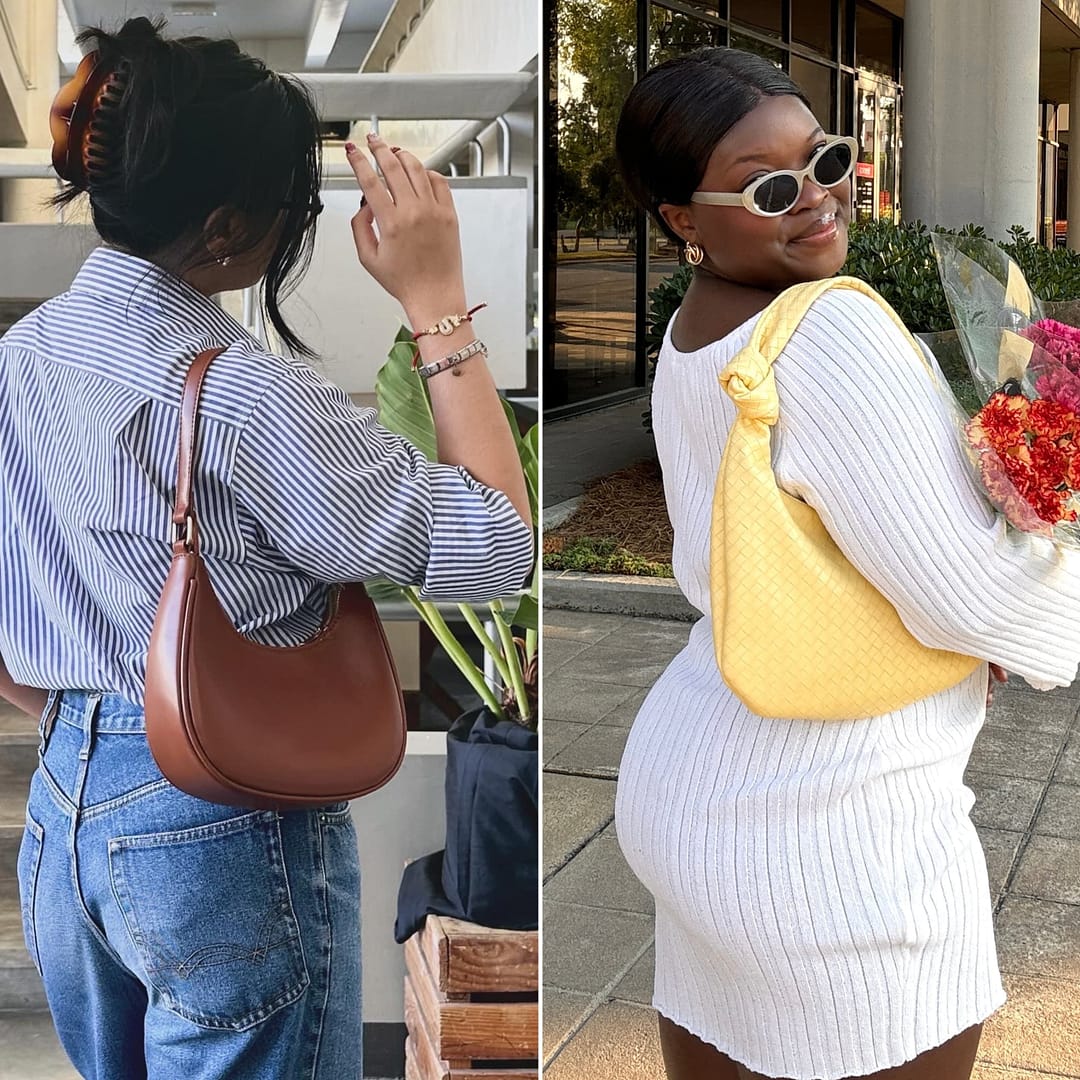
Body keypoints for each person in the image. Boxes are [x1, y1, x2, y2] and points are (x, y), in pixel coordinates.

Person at [3, 17, 532, 1080]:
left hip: (64, 811)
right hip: (215, 812)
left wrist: (85, 702)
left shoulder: (24, 353)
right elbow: (499, 543)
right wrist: (434, 300)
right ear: (227, 228)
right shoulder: (247, 399)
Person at [613, 47, 1080, 1080]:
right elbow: (970, 587)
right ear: (683, 221)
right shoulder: (829, 332)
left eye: (825, 156)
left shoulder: (698, 333)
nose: (818, 197)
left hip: (703, 776)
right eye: (769, 186)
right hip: (830, 827)